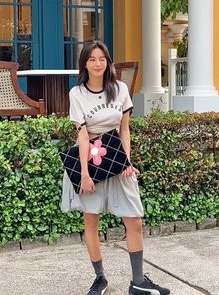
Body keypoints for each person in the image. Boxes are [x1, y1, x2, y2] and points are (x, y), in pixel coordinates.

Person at [61, 40, 170, 295]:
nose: (98, 64)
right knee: (91, 222)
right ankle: (99, 279)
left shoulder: (120, 89)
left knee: (134, 221)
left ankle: (138, 282)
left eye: (102, 59)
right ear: (84, 64)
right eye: (92, 59)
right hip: (91, 162)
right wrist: (85, 176)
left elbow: (124, 129)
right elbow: (83, 136)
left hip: (116, 159)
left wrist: (126, 163)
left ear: (108, 62)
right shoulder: (77, 94)